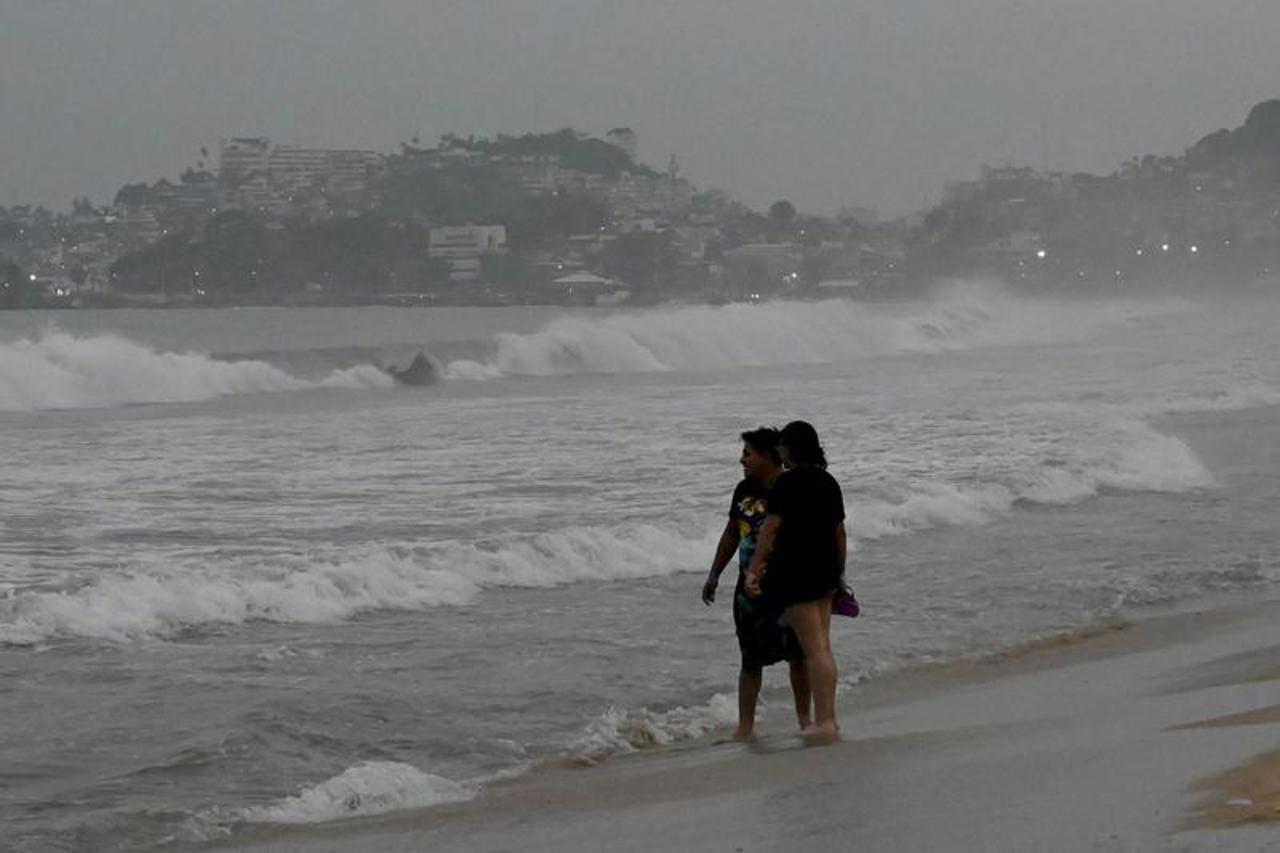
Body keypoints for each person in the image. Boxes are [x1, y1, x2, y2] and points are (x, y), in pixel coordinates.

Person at [702, 427, 810, 740]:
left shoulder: (792, 488)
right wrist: (714, 574)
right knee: (750, 659)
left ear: (767, 455)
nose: (742, 460)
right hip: (747, 591)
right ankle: (745, 728)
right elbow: (732, 533)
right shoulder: (744, 490)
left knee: (798, 656)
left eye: (748, 453)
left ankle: (805, 721)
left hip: (788, 587)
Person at [745, 421, 846, 744]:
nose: (780, 453)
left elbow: (770, 528)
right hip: (826, 570)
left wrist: (754, 568)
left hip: (797, 572)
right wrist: (839, 572)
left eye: (782, 447)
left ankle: (825, 721)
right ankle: (828, 718)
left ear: (790, 449)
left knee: (813, 649)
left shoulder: (788, 484)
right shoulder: (829, 482)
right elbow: (839, 532)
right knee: (824, 647)